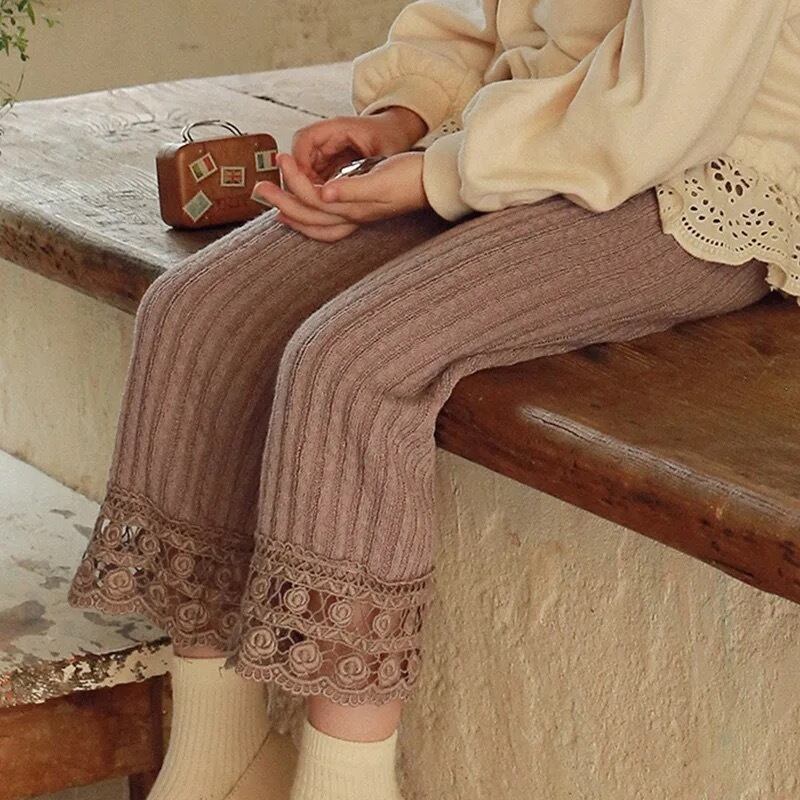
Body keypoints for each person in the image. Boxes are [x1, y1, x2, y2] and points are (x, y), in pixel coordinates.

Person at [67, 0, 800, 798]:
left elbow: (665, 110)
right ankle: (220, 757)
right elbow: (478, 14)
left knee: (349, 363)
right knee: (195, 317)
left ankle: (344, 783)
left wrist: (436, 175)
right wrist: (406, 113)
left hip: (689, 181)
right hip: (527, 143)